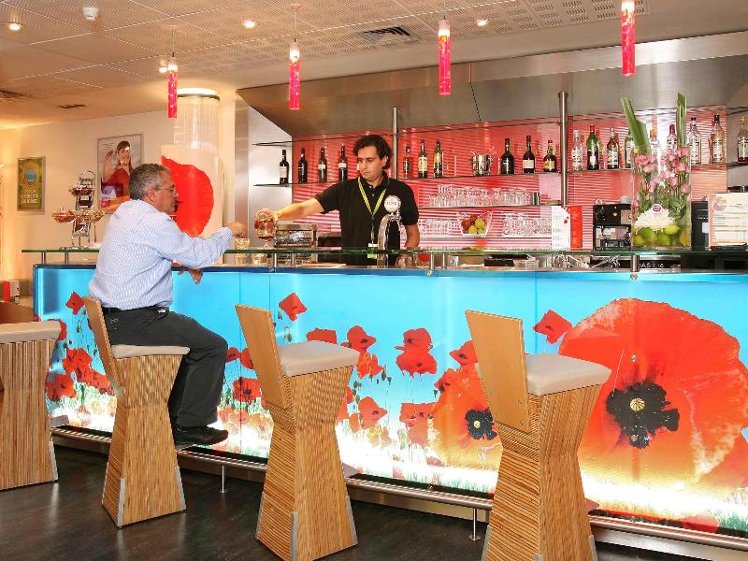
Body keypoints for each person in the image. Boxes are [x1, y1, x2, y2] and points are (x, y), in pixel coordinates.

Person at [89, 163, 247, 446]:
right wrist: (230, 230)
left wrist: (181, 260)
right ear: (152, 193)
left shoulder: (124, 214)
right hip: (136, 321)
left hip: (111, 320)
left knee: (188, 344)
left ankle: (173, 420)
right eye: (171, 189)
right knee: (212, 346)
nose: (176, 194)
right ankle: (188, 425)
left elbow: (143, 255)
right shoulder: (154, 222)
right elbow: (200, 254)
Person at [266, 134, 420, 266]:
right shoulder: (344, 189)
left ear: (384, 160)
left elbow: (413, 233)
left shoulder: (401, 190)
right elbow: (304, 208)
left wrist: (405, 256)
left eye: (369, 160)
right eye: (360, 161)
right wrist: (277, 215)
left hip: (389, 270)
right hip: (351, 270)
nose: (363, 166)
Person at [101, 140, 133, 211]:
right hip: (121, 212)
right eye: (123, 151)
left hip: (135, 212)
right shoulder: (116, 173)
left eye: (128, 151)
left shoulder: (134, 173)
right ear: (118, 155)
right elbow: (106, 192)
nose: (126, 154)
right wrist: (106, 163)